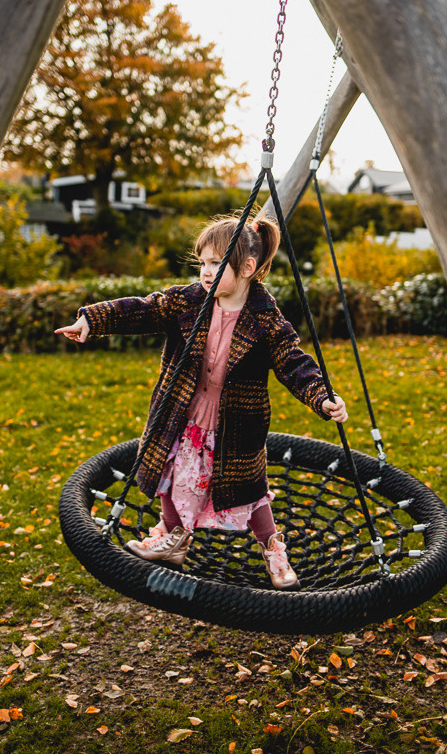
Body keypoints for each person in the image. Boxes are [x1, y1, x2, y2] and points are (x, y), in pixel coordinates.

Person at [55, 215, 348, 590]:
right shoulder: (187, 301)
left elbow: (294, 363)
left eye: (216, 263)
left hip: (235, 425)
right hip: (181, 412)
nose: (206, 272)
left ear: (247, 267)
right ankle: (174, 538)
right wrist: (92, 321)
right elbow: (142, 308)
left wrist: (322, 398)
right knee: (170, 471)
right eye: (203, 263)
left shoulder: (266, 320)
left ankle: (274, 549)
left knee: (250, 490)